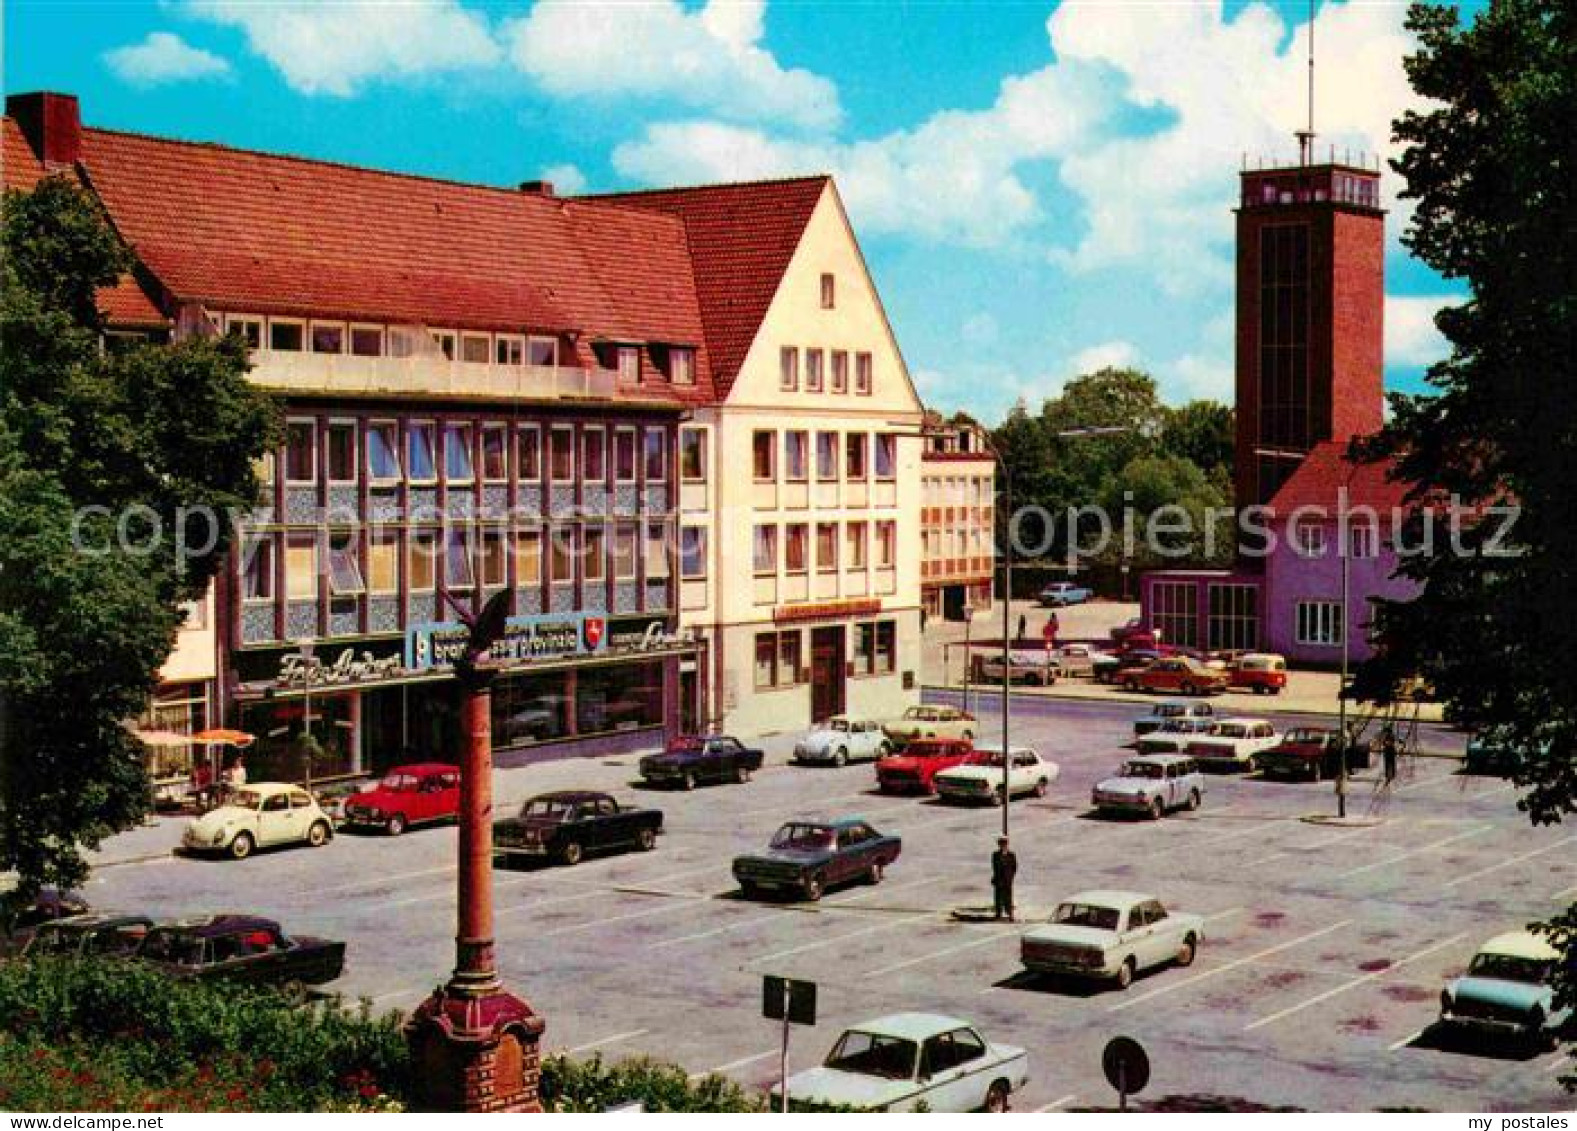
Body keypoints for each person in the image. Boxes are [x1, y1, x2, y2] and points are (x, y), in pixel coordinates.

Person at [991, 836, 1017, 922]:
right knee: (998, 897)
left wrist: (1010, 877)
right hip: (998, 879)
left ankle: (1010, 914)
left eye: (1004, 844)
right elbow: (994, 866)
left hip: (1007, 880)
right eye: (1001, 844)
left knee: (1008, 897)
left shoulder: (1011, 855)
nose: (1003, 845)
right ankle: (998, 913)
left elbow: (1014, 867)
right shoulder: (995, 854)